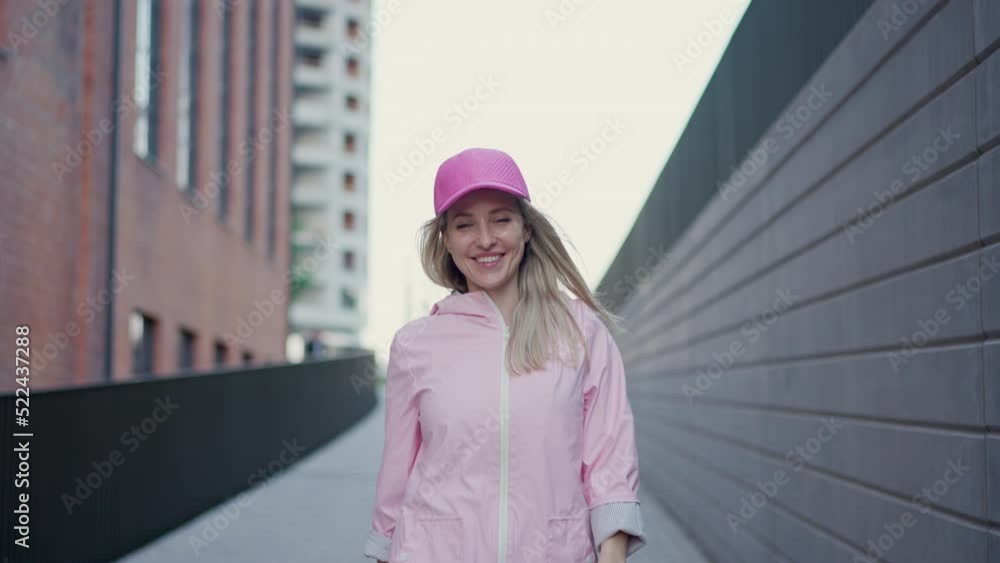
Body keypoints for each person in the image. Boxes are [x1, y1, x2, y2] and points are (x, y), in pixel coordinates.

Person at [363, 147, 647, 562]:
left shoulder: (581, 332)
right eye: (465, 225)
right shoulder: (414, 345)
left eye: (500, 219)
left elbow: (611, 464)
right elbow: (395, 479)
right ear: (445, 238)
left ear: (526, 229)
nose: (485, 239)